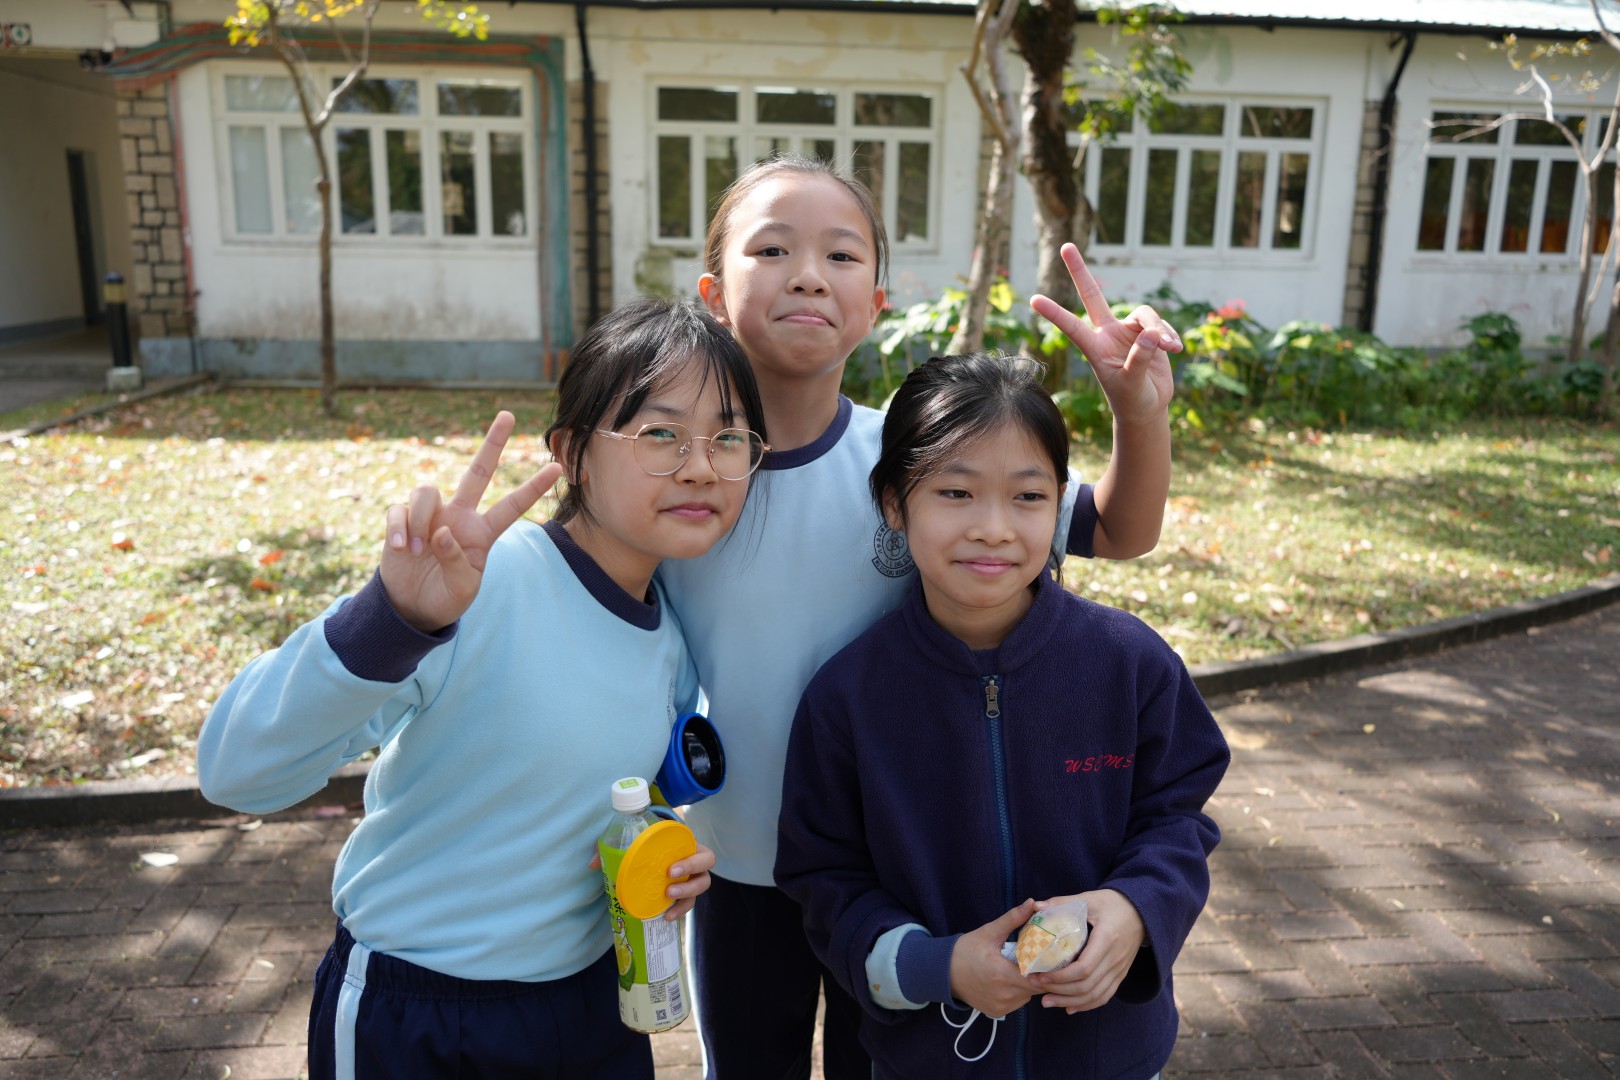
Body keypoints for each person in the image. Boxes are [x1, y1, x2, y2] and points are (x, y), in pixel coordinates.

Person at [656, 152, 1185, 1079]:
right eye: (772, 249)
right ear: (713, 294)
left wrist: (1136, 410)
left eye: (840, 255)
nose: (807, 274)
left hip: (906, 872)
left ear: (877, 303)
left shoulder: (919, 459)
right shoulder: (682, 484)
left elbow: (1119, 528)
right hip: (740, 865)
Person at [196, 296, 770, 1080]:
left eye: (728, 438)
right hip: (418, 1013)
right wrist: (393, 617)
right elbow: (237, 773)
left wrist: (658, 858)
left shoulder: (672, 634)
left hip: (589, 1006)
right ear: (573, 454)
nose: (700, 465)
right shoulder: (478, 583)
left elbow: (596, 792)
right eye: (660, 433)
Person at [774, 352, 1230, 1079]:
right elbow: (826, 877)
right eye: (956, 492)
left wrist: (1135, 908)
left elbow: (1177, 818)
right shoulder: (848, 698)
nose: (993, 528)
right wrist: (939, 965)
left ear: (1059, 504)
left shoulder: (1129, 663)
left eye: (1027, 497)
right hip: (929, 1059)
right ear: (893, 502)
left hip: (1108, 1055)